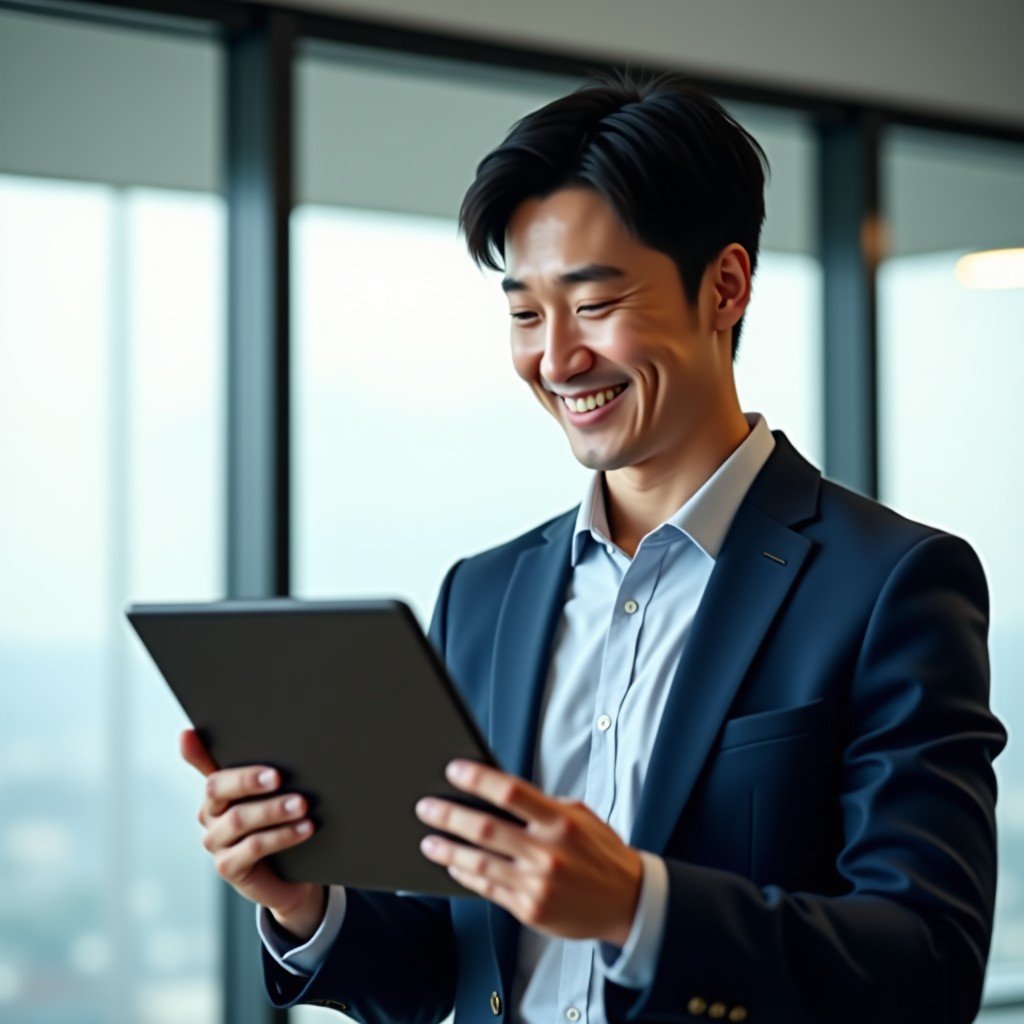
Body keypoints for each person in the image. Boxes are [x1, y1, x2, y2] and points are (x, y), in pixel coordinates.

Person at [182, 69, 1007, 1023]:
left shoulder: (890, 584)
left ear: (726, 286)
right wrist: (304, 902)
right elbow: (454, 965)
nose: (557, 358)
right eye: (526, 313)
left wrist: (635, 906)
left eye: (595, 303)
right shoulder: (483, 596)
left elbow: (928, 968)